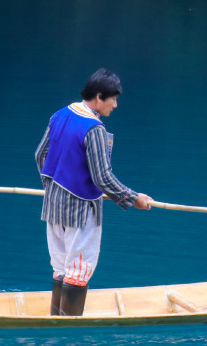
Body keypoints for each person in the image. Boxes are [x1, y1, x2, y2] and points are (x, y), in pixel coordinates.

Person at [35, 69, 153, 316]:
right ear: (99, 97)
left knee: (61, 266)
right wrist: (134, 198)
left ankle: (55, 319)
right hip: (81, 208)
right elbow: (102, 177)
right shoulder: (94, 128)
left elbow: (40, 155)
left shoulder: (59, 115)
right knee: (78, 269)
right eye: (114, 99)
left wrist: (51, 187)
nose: (116, 105)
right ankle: (69, 329)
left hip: (52, 204)